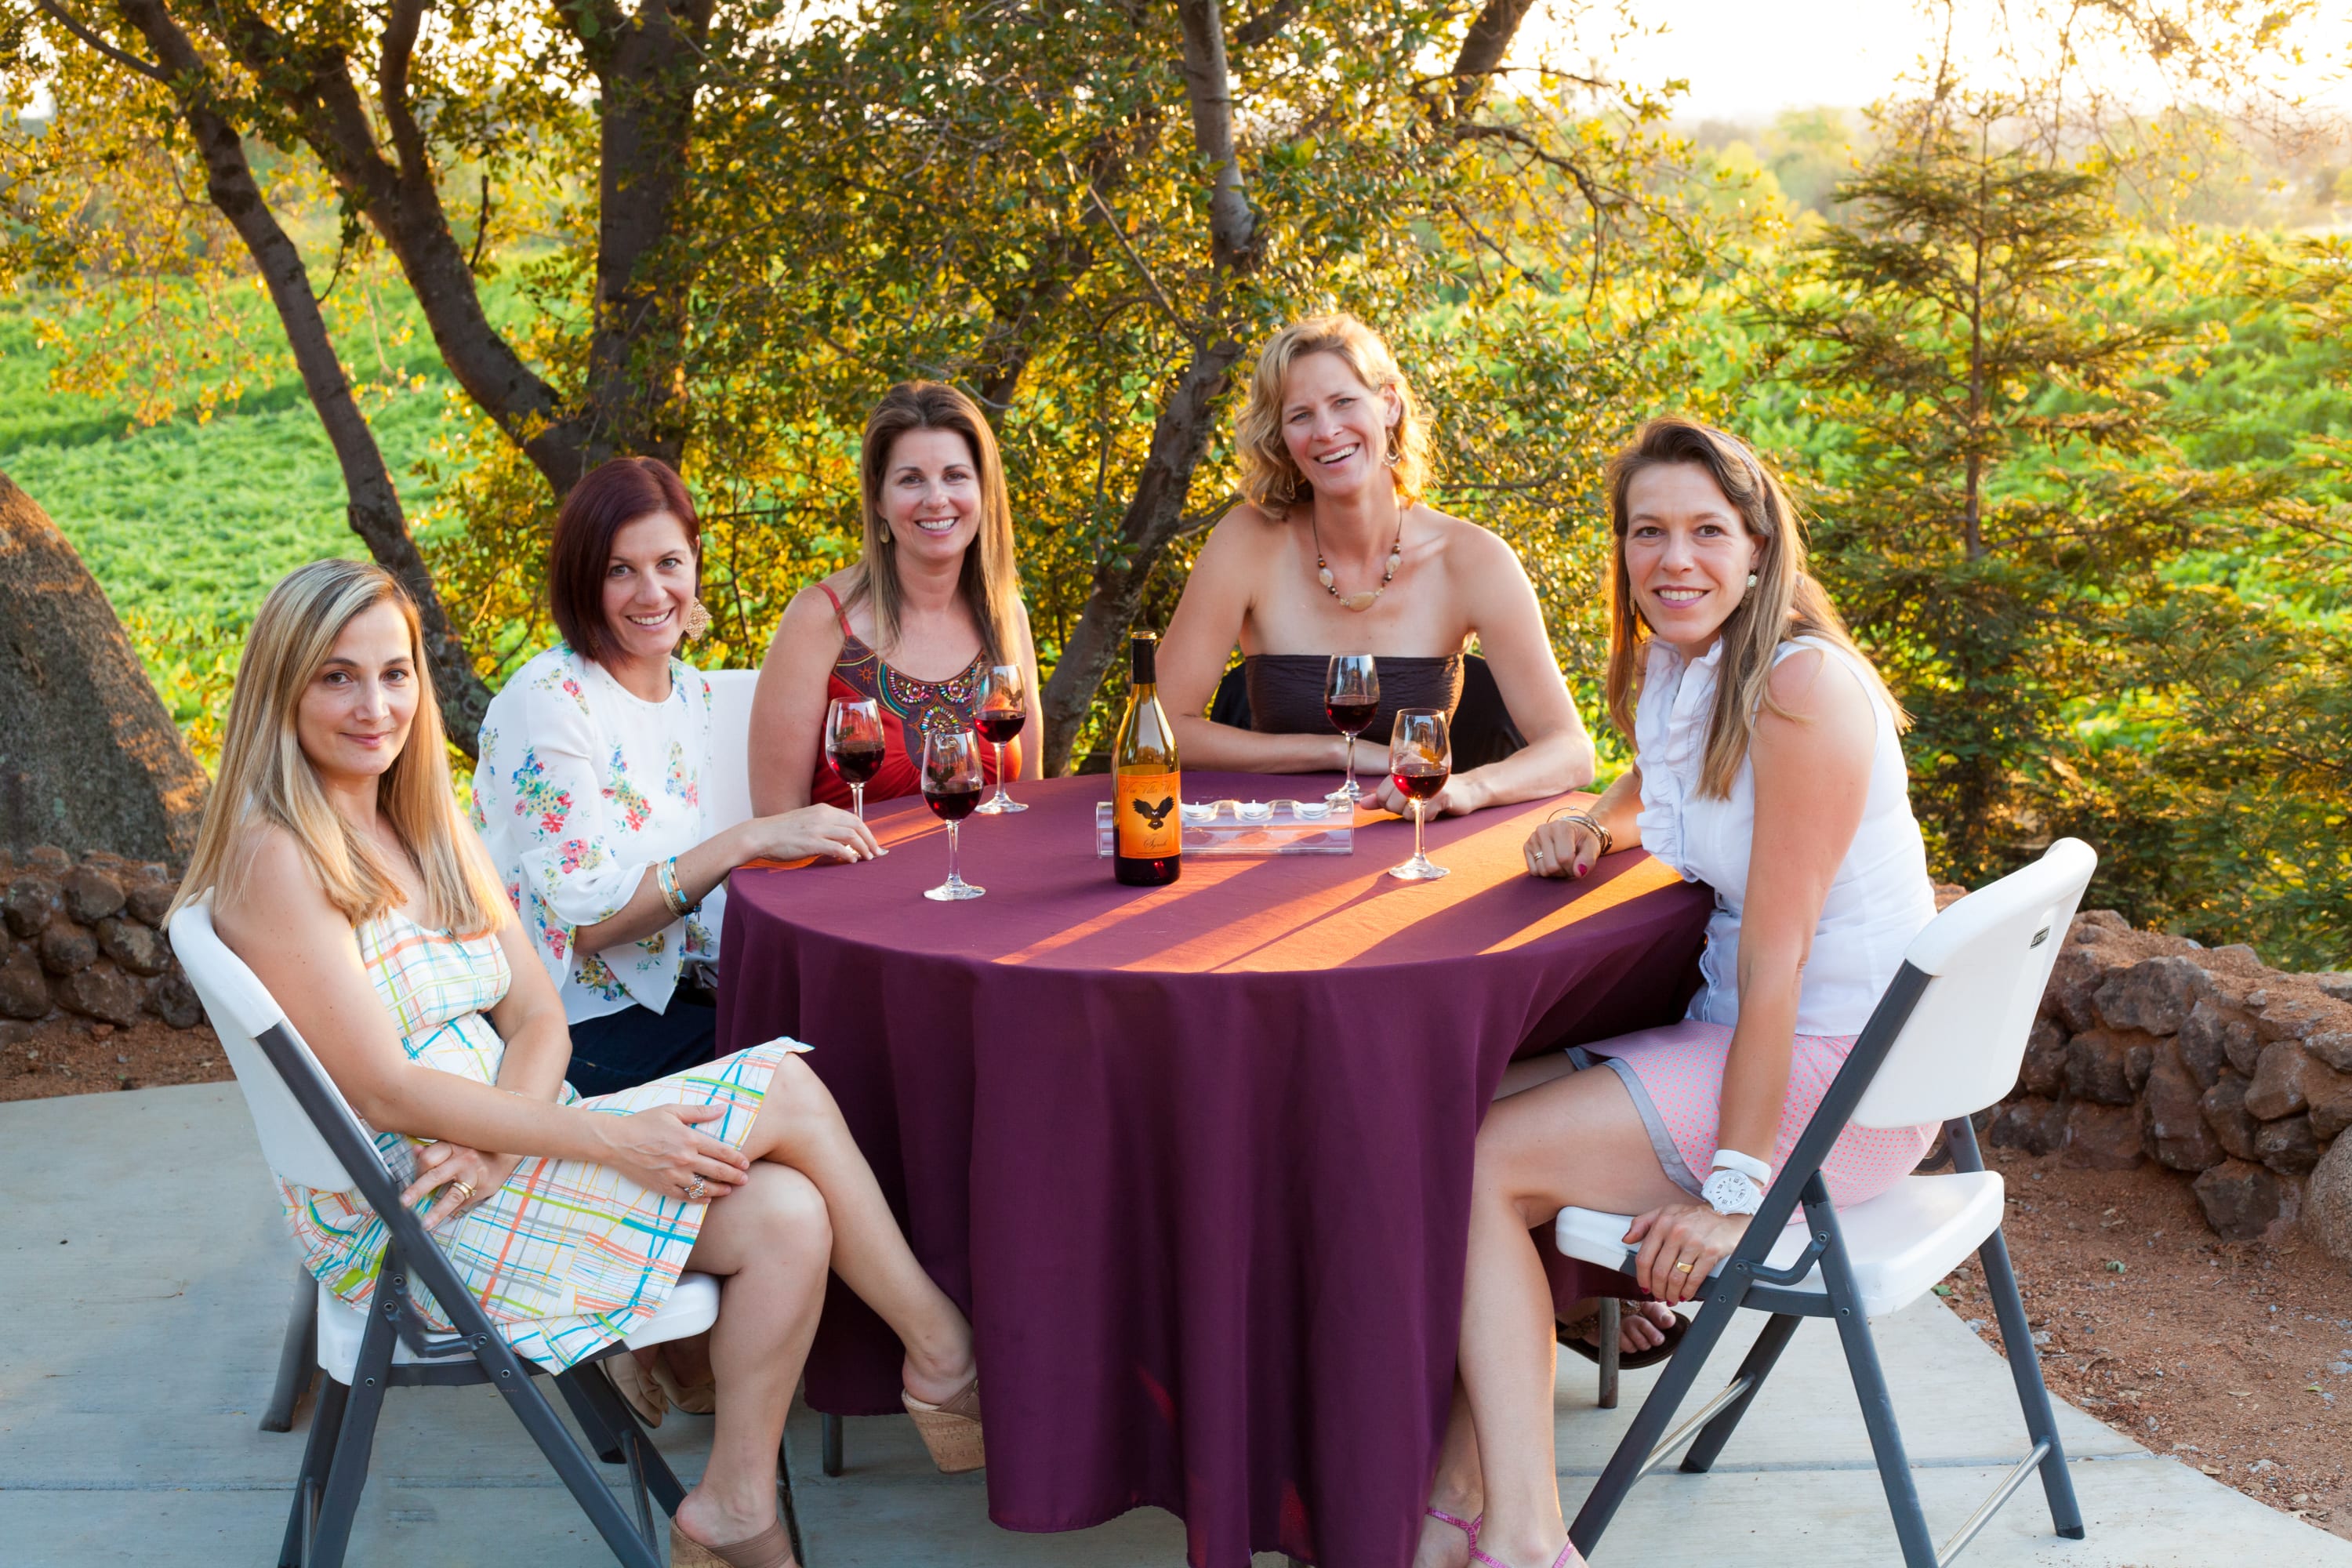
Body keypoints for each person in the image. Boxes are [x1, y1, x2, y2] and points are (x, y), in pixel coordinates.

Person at [177, 561, 982, 1568]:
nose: (374, 705)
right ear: (282, 687)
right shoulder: (278, 855)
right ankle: (945, 1351)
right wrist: (608, 1134)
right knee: (782, 1083)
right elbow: (384, 1089)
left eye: (394, 673)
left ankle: (733, 1505)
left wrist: (503, 1146)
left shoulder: (419, 820)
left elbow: (538, 1019)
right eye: (337, 677)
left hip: (490, 1150)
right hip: (405, 1207)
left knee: (790, 1213)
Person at [1420, 419, 1940, 1568]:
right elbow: (1670, 778)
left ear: (1761, 549)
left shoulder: (1803, 690)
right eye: (1648, 532)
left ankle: (1523, 1535)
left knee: (1478, 1167)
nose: (1675, 559)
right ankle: (1464, 1479)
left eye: (1708, 531)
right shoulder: (1698, 665)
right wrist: (1591, 822)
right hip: (1777, 1044)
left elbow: (1777, 964)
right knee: (1449, 1107)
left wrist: (1738, 1196)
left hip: (1834, 1080)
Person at [473, 458, 878, 1101]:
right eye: (619, 571)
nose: (652, 594)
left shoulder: (690, 693)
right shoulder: (549, 701)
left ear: (694, 560)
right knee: (819, 1079)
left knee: (863, 1038)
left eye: (668, 564)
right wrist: (749, 840)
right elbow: (589, 926)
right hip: (568, 1029)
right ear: (583, 580)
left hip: (683, 997)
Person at [1154, 313, 1595, 814]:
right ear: (1282, 438)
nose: (1325, 430)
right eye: (1300, 416)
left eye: (1344, 402)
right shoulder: (1246, 541)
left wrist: (1470, 788)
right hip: (1275, 841)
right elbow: (1161, 729)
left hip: (1413, 844)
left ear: (1388, 404)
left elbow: (1572, 752)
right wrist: (1339, 751)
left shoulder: (1473, 559)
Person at [750, 381, 1042, 812]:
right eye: (911, 480)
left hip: (986, 880)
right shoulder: (820, 620)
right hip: (848, 879)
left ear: (985, 491)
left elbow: (1029, 800)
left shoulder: (1006, 615)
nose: (936, 499)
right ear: (878, 499)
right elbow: (777, 823)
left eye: (955, 476)